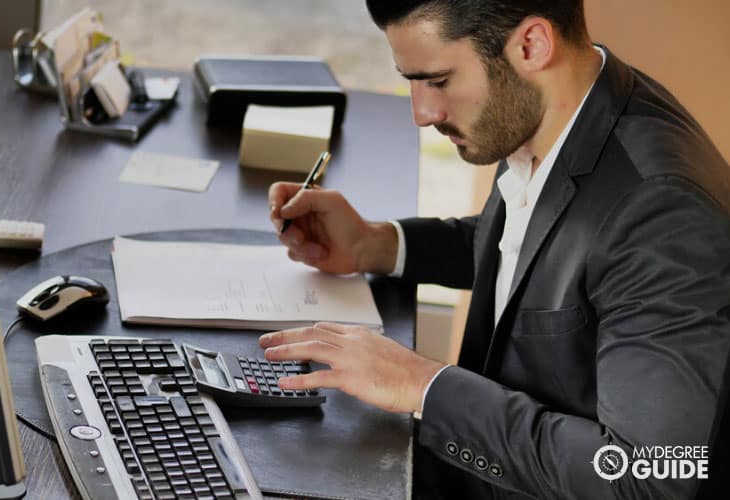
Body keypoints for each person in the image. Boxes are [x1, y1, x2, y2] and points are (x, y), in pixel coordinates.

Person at [261, 1, 730, 498]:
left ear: (531, 45)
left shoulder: (663, 213)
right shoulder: (556, 111)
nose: (423, 114)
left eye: (438, 81)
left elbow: (650, 477)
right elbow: (536, 251)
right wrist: (377, 245)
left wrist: (424, 385)